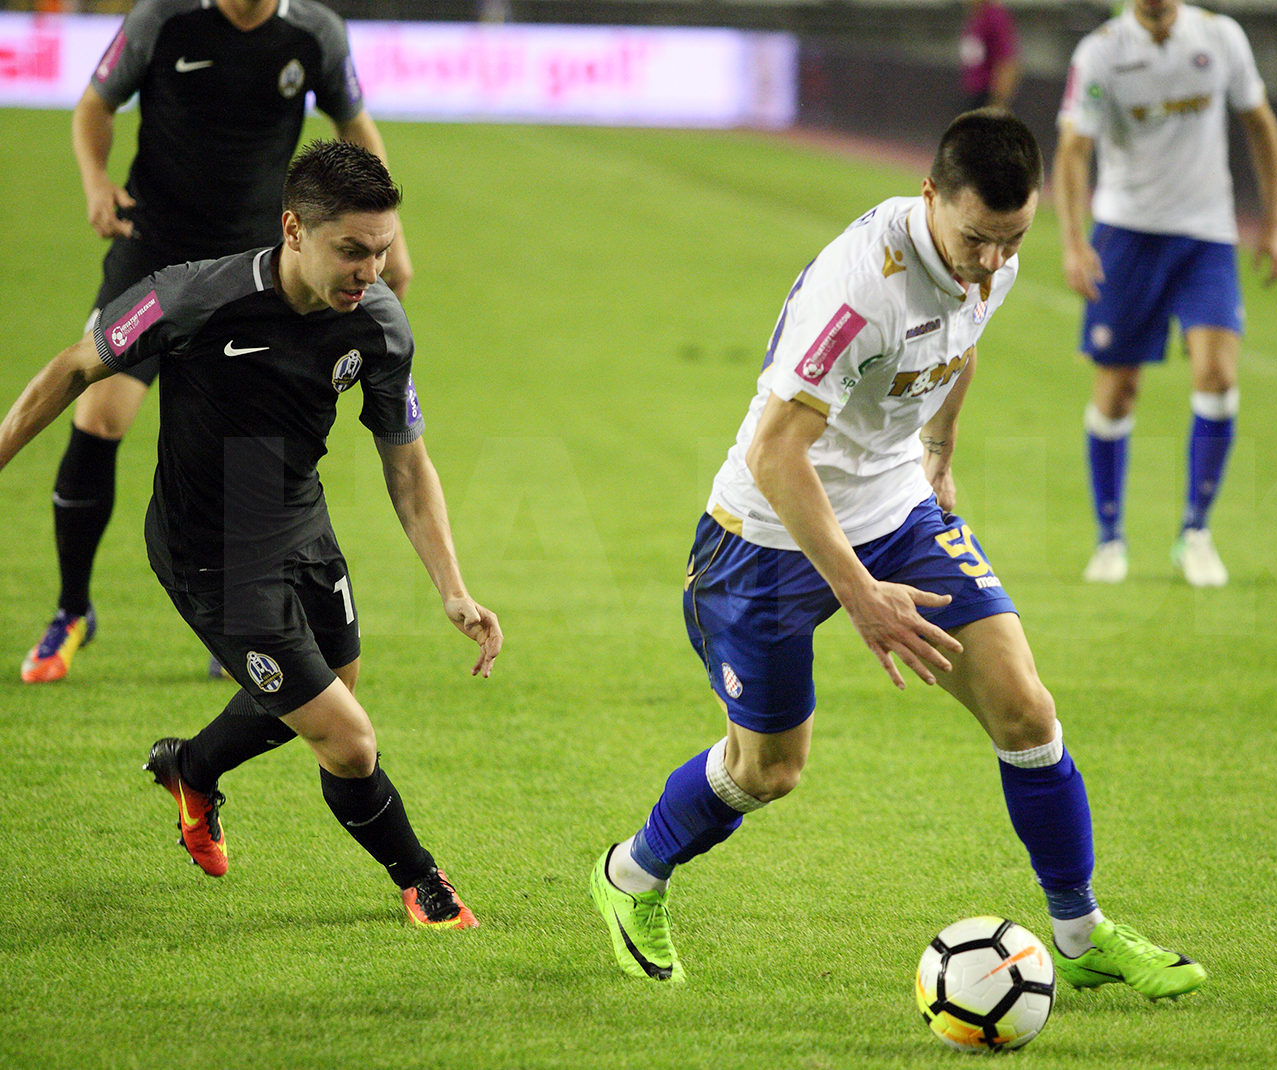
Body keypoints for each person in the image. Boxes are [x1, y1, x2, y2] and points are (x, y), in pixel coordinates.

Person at [587, 110, 1207, 998]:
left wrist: (939, 453)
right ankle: (630, 878)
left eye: (1012, 239)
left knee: (1026, 713)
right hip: (764, 535)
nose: (992, 262)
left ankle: (1079, 932)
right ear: (930, 200)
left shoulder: (990, 254)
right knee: (770, 769)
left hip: (895, 506)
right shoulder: (861, 290)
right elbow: (774, 451)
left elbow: (963, 343)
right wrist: (864, 597)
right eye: (977, 240)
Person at [0, 141, 498, 930]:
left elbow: (408, 468)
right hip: (210, 552)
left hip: (299, 521)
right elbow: (71, 370)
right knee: (348, 739)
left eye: (382, 252)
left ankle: (190, 768)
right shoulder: (188, 297)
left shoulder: (380, 327)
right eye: (352, 251)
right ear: (295, 229)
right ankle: (423, 883)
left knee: (335, 683)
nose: (370, 272)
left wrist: (454, 589)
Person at [23, 0, 413, 683]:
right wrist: (94, 181)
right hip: (155, 249)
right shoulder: (163, 20)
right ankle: (72, 609)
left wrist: (390, 244)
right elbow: (95, 105)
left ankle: (240, 620)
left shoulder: (313, 32)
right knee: (100, 416)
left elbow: (357, 127)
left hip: (259, 263)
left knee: (254, 435)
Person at [1054, 0, 1277, 587]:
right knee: (1118, 391)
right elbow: (1072, 150)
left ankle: (1196, 532)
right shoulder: (1102, 53)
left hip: (1205, 235)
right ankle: (1110, 540)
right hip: (1126, 234)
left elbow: (1260, 123)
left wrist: (1275, 222)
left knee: (1218, 374)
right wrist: (1074, 242)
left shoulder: (1220, 38)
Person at [960, 0, 1021, 112]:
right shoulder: (977, 16)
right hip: (972, 94)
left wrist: (998, 102)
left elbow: (1007, 62)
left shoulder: (995, 17)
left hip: (986, 95)